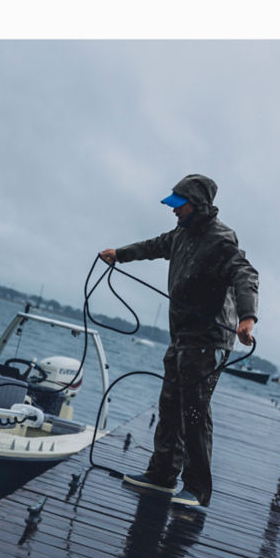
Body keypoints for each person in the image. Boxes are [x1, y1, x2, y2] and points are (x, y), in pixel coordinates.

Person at [99, 173, 258, 510]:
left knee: (195, 412)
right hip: (183, 337)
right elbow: (155, 246)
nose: (173, 211)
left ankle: (197, 490)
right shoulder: (181, 234)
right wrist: (120, 254)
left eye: (178, 205)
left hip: (210, 339)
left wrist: (247, 318)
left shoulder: (221, 240)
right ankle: (162, 476)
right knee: (170, 405)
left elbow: (246, 274)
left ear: (197, 205)